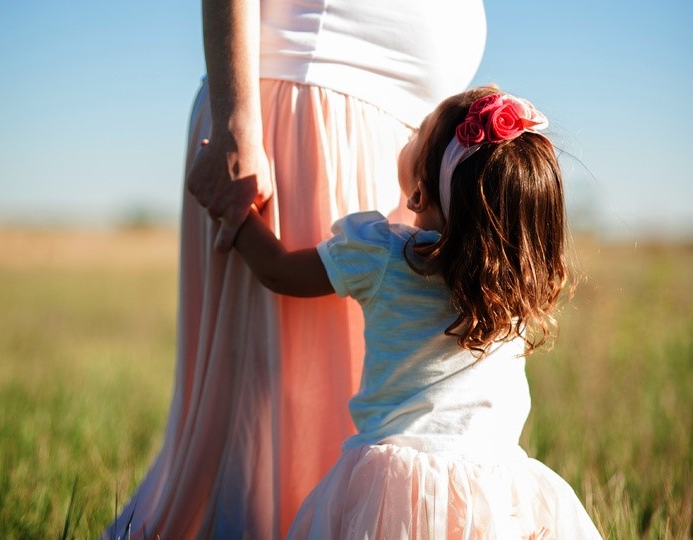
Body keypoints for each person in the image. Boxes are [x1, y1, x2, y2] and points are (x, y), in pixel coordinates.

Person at [104, 1, 487, 538]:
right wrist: (236, 119)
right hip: (305, 117)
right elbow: (281, 271)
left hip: (397, 152)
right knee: (267, 434)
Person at [227, 88, 602, 538]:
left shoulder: (383, 254)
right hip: (493, 489)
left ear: (420, 194)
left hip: (395, 489)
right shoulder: (517, 289)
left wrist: (234, 210)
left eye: (418, 133)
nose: (409, 133)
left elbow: (278, 271)